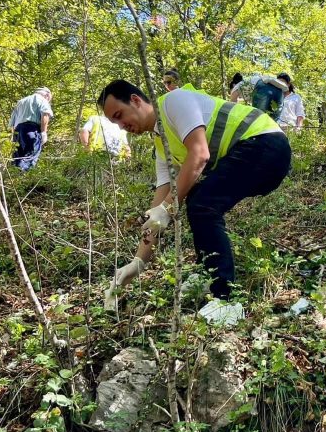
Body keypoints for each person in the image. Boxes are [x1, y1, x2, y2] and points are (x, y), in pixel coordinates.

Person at [98, 79, 291, 324]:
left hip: (266, 143)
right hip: (256, 152)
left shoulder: (173, 102)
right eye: (114, 122)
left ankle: (226, 301)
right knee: (198, 201)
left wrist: (166, 209)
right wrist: (137, 262)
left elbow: (199, 155)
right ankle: (207, 274)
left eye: (119, 115)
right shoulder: (162, 146)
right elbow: (159, 208)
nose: (121, 126)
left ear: (135, 100)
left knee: (202, 204)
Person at [9, 87, 53, 171]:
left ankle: (14, 176)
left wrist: (13, 136)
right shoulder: (42, 100)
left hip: (18, 130)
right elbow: (45, 114)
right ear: (47, 95)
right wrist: (44, 132)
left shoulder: (20, 102)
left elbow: (12, 122)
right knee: (30, 156)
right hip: (32, 129)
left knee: (17, 156)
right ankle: (23, 178)